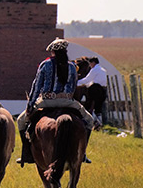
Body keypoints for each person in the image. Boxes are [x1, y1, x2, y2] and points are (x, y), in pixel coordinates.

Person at [16, 38, 99, 166]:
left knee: (21, 121)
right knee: (89, 121)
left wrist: (30, 105)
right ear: (65, 51)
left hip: (46, 101)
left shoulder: (45, 65)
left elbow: (36, 86)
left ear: (52, 52)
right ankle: (82, 154)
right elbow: (73, 87)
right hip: (67, 101)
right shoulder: (72, 67)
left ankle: (27, 153)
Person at [77, 56, 107, 123]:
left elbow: (87, 79)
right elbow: (92, 80)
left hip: (96, 89)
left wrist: (76, 83)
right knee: (98, 107)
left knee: (89, 104)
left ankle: (91, 120)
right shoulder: (103, 70)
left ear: (93, 62)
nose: (90, 65)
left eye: (90, 63)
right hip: (103, 89)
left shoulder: (94, 70)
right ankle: (99, 122)